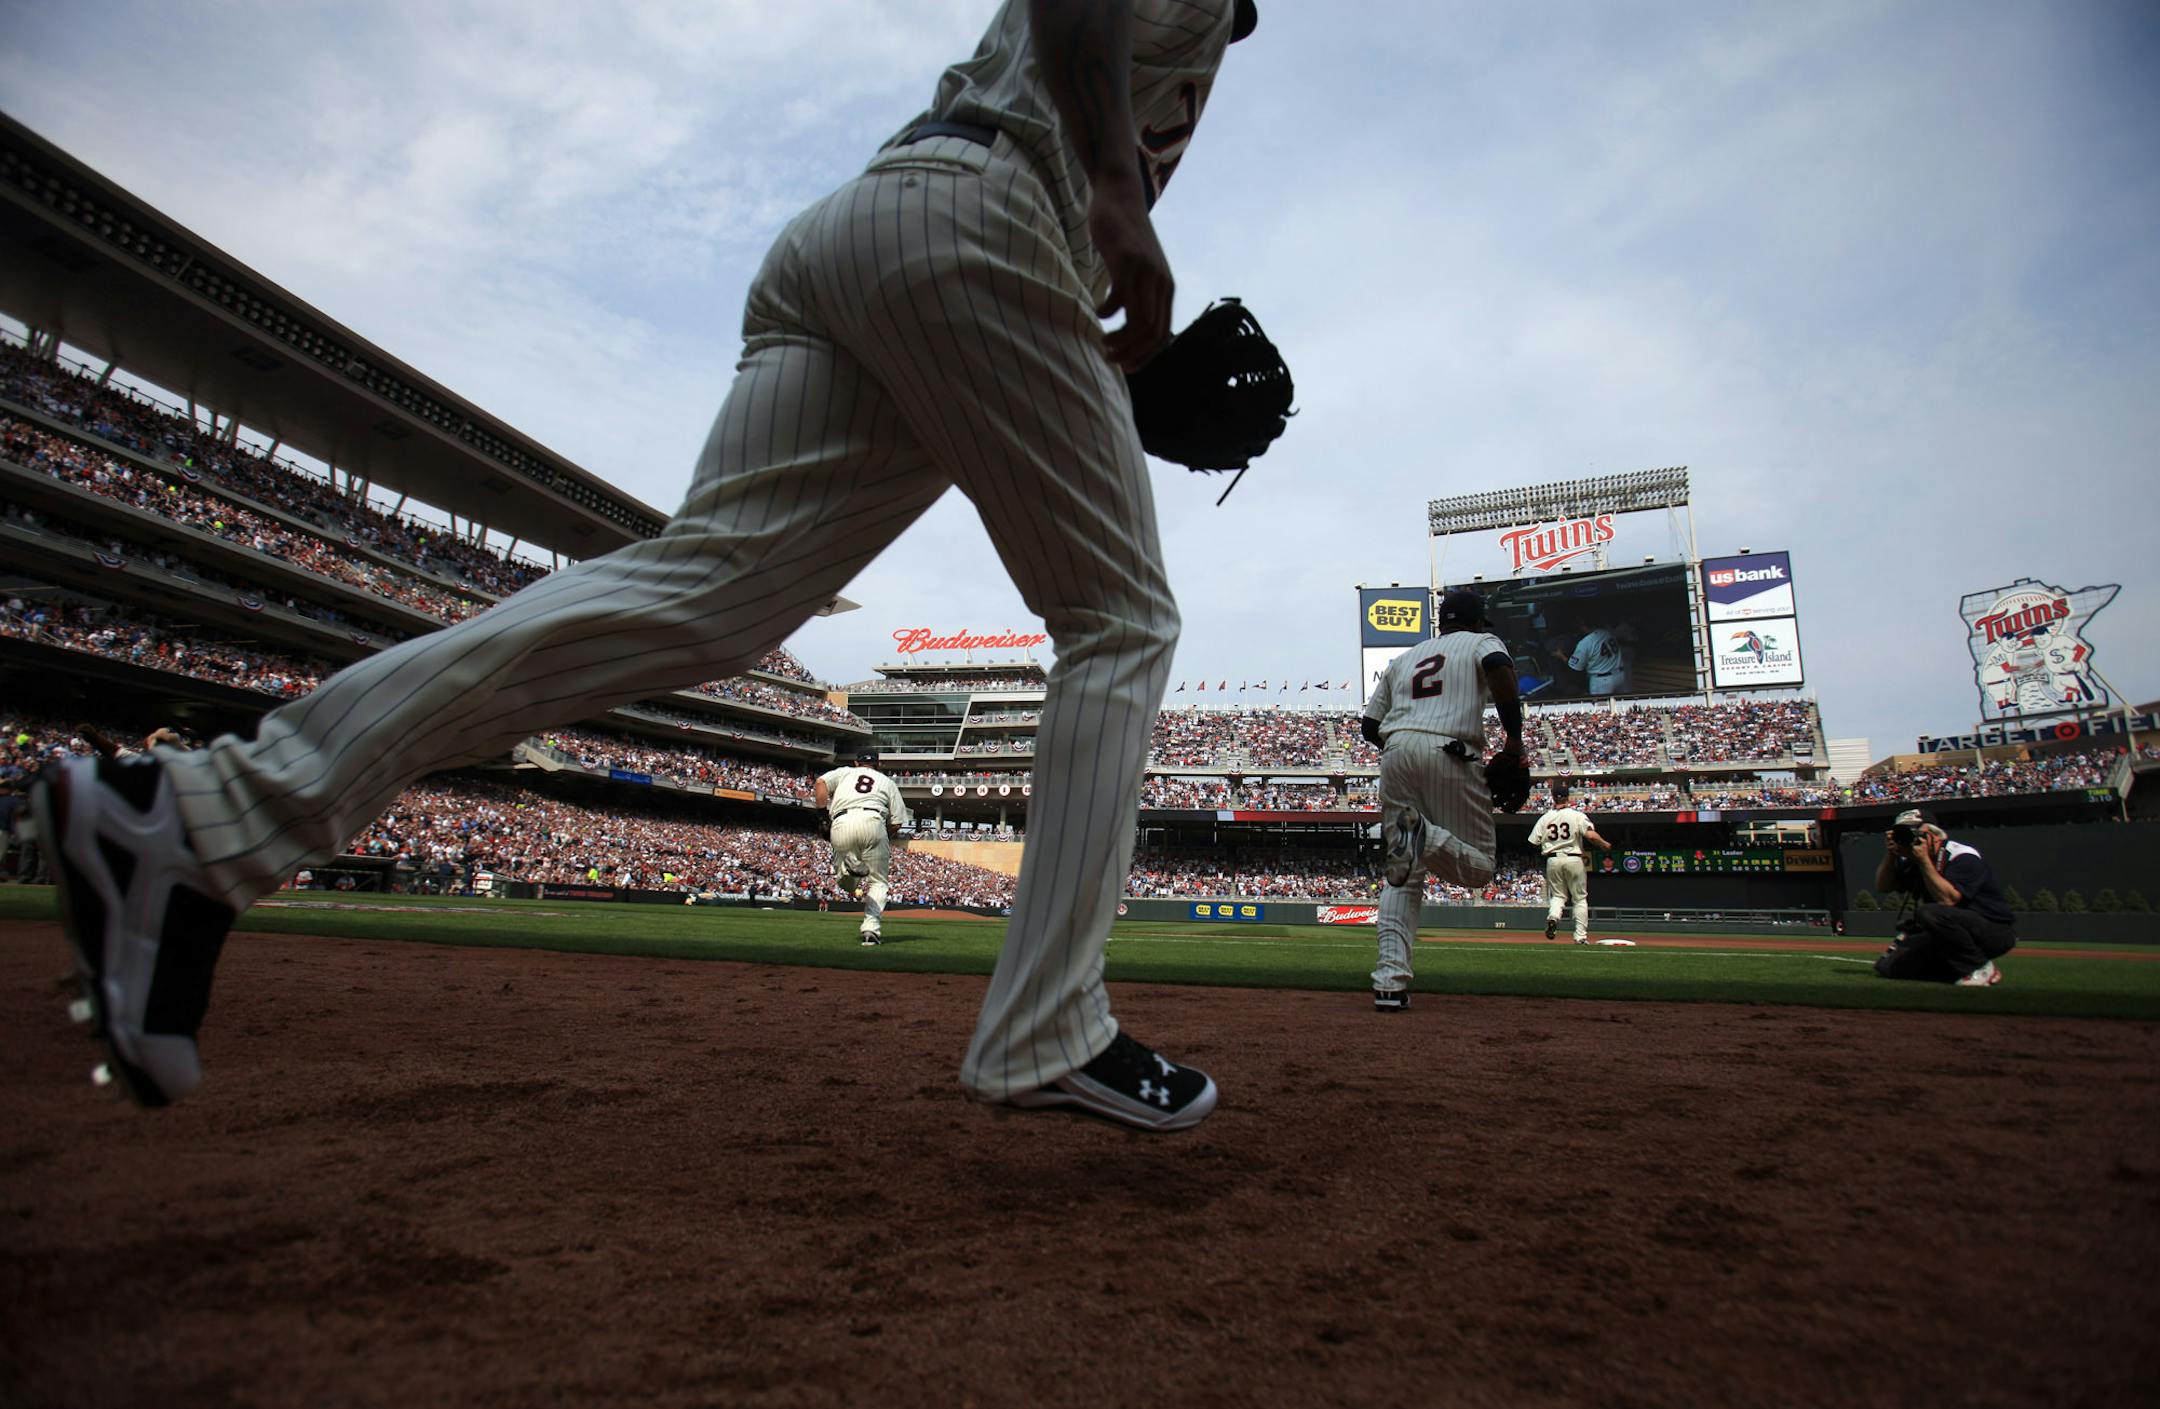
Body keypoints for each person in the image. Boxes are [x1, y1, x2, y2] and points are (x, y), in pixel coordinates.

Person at [32, 0, 1264, 1134]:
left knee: (709, 595)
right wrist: (1112, 186)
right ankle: (1051, 1019)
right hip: (986, 214)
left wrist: (1098, 342)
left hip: (877, 225)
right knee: (1121, 620)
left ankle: (202, 815)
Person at [1363, 588, 1524, 1012]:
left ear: (1441, 623)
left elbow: (1368, 724)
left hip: (1395, 751)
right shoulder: (1481, 641)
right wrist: (1514, 740)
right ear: (1476, 621)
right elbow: (1498, 667)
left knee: (1403, 876)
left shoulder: (1404, 658)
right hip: (1452, 751)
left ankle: (1389, 984)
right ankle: (1421, 836)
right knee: (1481, 869)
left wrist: (1403, 744)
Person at [1871, 808, 2017, 986]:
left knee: (1930, 912)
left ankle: (1981, 968)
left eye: (1913, 831)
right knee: (1888, 967)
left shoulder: (1962, 856)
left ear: (1935, 835)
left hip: (1992, 929)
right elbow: (1883, 887)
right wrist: (1891, 854)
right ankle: (1955, 972)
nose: (1908, 838)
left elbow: (1948, 900)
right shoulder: (1911, 860)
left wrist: (1924, 861)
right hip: (1947, 930)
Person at [815, 747, 909, 945]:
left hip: (842, 821)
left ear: (857, 763)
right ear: (878, 764)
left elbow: (820, 783)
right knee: (878, 882)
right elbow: (898, 822)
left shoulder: (845, 772)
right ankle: (871, 930)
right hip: (874, 821)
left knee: (846, 885)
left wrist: (822, 818)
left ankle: (851, 869)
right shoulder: (887, 782)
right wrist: (883, 834)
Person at [1530, 780, 1609, 944]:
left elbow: (1533, 841)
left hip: (1552, 859)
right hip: (1573, 857)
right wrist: (1604, 844)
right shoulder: (1577, 815)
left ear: (1552, 798)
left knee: (1558, 896)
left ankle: (1553, 916)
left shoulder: (1545, 818)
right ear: (1568, 798)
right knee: (1579, 899)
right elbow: (1591, 836)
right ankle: (1580, 937)